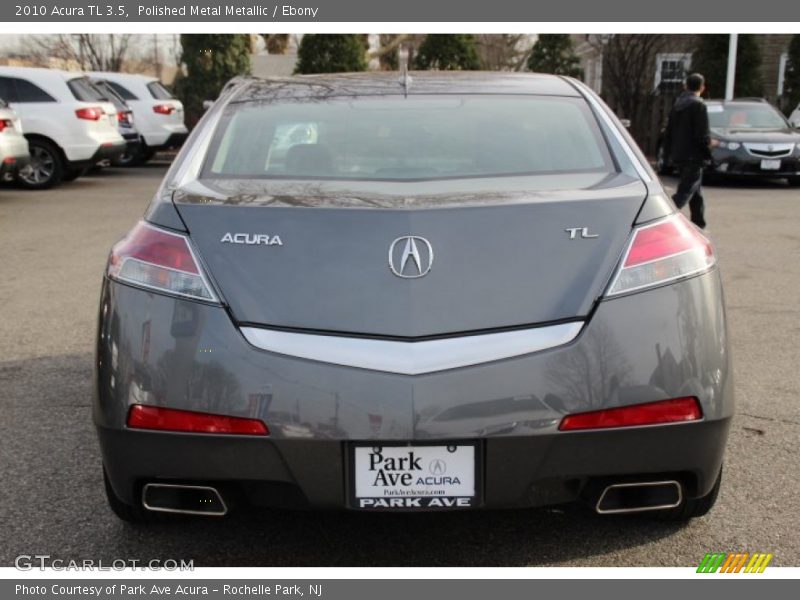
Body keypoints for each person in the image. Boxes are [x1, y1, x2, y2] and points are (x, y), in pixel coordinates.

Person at [662, 73, 717, 229]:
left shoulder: (678, 104)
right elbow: (702, 134)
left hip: (679, 153)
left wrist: (667, 155)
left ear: (685, 86)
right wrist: (709, 150)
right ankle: (663, 216)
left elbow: (669, 131)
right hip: (694, 155)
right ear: (702, 87)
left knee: (696, 192)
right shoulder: (699, 105)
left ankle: (699, 223)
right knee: (685, 192)